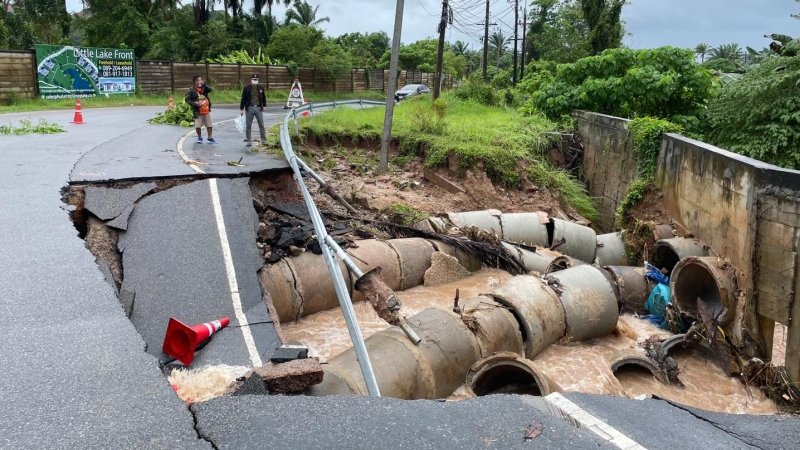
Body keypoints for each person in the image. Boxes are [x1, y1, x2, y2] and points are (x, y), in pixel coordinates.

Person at [239, 73, 267, 147]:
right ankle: (249, 141)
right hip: (250, 108)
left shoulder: (261, 87)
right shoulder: (246, 88)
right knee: (248, 125)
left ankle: (264, 140)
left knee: (261, 124)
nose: (255, 80)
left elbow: (264, 97)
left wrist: (264, 106)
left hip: (258, 108)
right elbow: (243, 99)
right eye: (254, 79)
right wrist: (241, 109)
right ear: (251, 80)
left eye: (256, 79)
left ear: (258, 80)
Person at [185, 75, 215, 144]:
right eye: (198, 80)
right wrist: (195, 103)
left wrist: (204, 84)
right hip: (197, 111)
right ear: (194, 82)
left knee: (209, 125)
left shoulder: (204, 88)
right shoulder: (191, 90)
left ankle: (210, 138)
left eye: (201, 80)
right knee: (198, 126)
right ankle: (199, 137)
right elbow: (187, 100)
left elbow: (210, 90)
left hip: (206, 110)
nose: (200, 82)